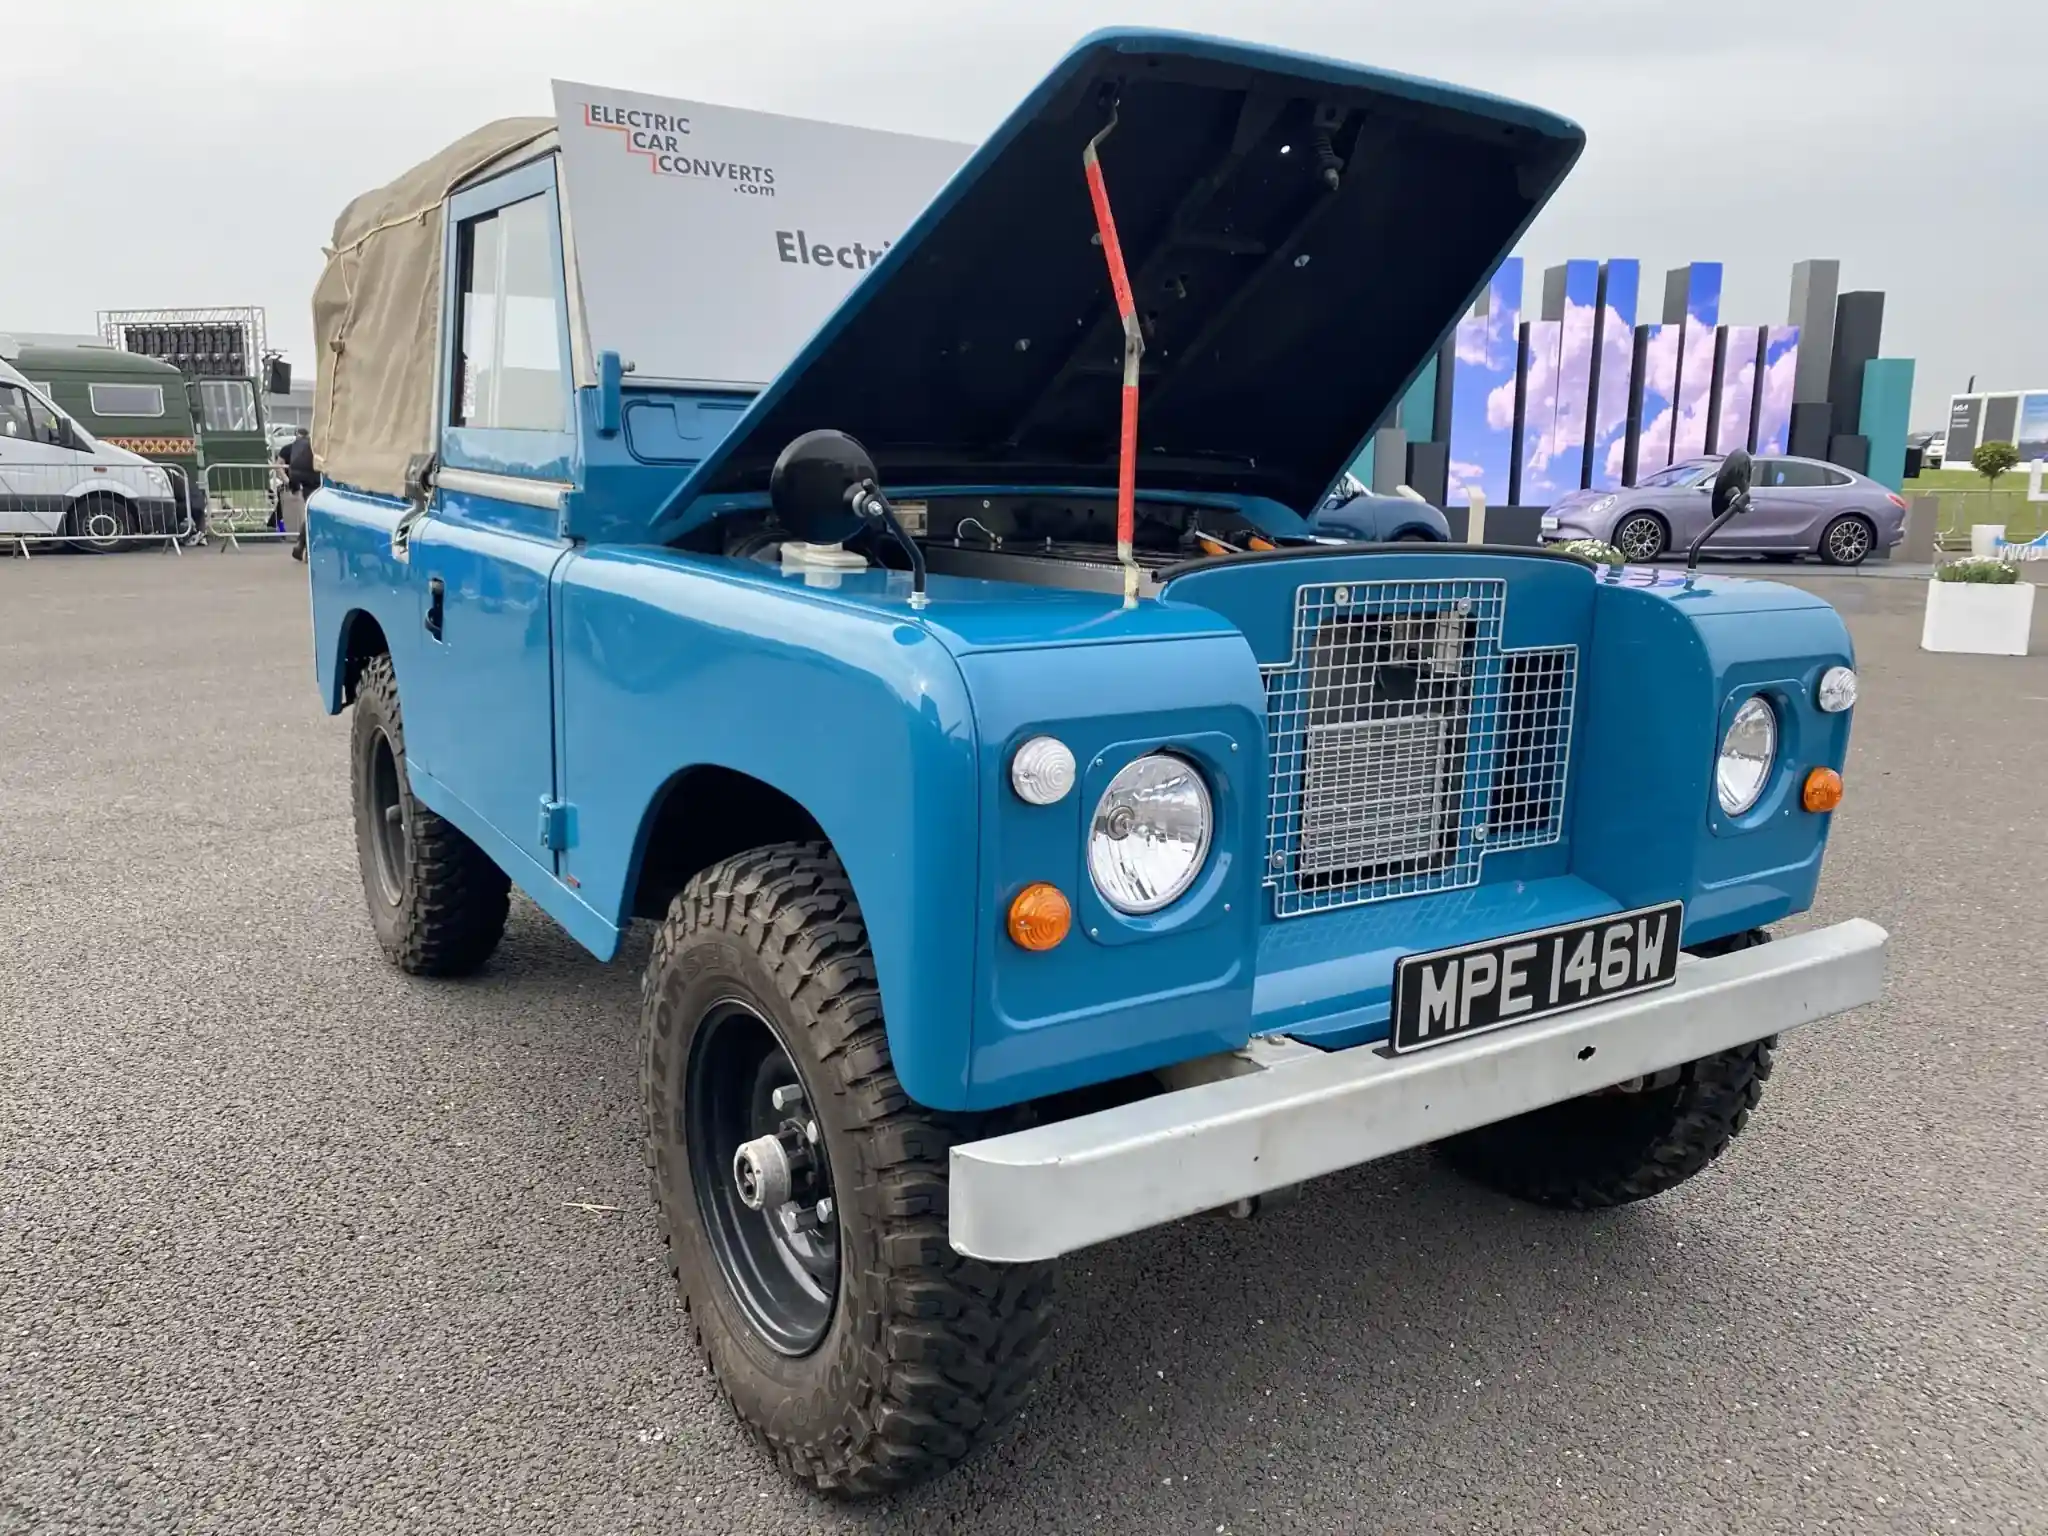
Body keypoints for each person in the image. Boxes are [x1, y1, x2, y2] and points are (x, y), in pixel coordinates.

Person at [278, 428, 318, 561]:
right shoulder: (316, 445)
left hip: (305, 483)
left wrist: (291, 482)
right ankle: (304, 547)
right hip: (316, 482)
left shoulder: (295, 447)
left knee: (311, 515)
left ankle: (301, 546)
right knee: (314, 516)